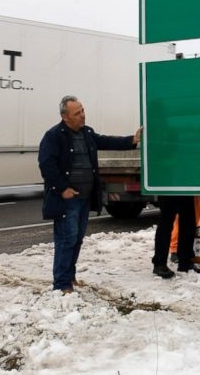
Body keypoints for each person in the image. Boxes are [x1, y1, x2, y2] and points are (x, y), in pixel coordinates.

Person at [38, 95, 141, 293]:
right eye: (77, 113)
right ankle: (61, 283)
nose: (82, 115)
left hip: (84, 197)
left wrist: (132, 140)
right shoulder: (53, 136)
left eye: (83, 110)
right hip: (67, 199)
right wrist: (63, 189)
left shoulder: (86, 133)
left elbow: (105, 141)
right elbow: (46, 165)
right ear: (65, 117)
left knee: (76, 239)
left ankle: (70, 275)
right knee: (66, 239)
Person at [152, 196, 200, 278]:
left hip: (185, 187)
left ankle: (185, 262)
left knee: (189, 221)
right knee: (166, 221)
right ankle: (159, 264)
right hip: (168, 188)